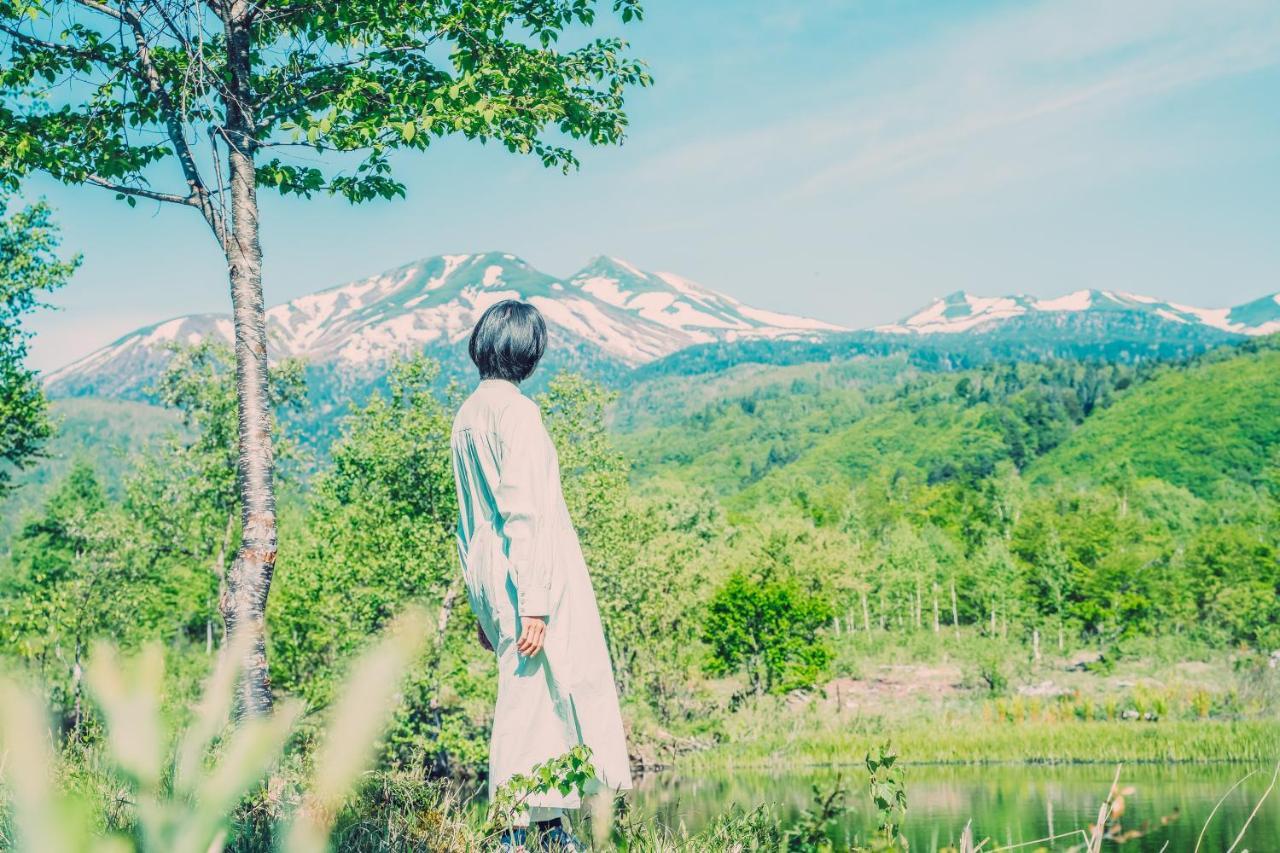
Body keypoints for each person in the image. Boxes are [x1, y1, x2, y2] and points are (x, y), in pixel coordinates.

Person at [450, 299, 632, 852]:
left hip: (492, 574)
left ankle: (551, 833)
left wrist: (481, 605)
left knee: (543, 702)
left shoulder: (467, 414)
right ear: (527, 353)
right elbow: (523, 509)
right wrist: (533, 601)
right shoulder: (517, 413)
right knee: (530, 703)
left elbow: (466, 521)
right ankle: (510, 837)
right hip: (524, 576)